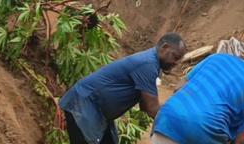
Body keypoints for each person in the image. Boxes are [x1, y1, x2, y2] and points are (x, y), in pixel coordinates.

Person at [58, 33, 187, 144]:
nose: (176, 63)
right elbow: (151, 108)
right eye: (175, 57)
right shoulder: (148, 64)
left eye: (179, 59)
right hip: (84, 105)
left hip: (98, 112)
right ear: (164, 47)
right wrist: (178, 129)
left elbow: (145, 106)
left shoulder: (153, 65)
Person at [151, 49, 244, 144]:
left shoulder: (218, 57)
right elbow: (241, 141)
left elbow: (179, 87)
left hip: (166, 120)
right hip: (204, 134)